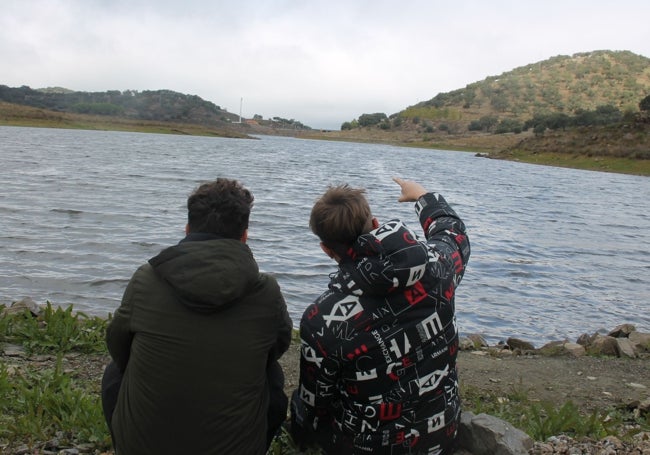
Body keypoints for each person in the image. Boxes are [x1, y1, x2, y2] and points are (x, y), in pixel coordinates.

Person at [101, 178, 292, 455]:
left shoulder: (146, 279)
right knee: (270, 374)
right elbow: (277, 346)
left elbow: (118, 346)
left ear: (188, 229)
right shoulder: (267, 292)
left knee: (114, 373)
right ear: (245, 235)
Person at [290, 178, 471, 454]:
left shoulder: (322, 319)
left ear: (326, 250)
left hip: (365, 448)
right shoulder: (438, 267)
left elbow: (317, 404)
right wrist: (422, 196)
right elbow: (452, 233)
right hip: (440, 438)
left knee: (301, 404)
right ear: (376, 225)